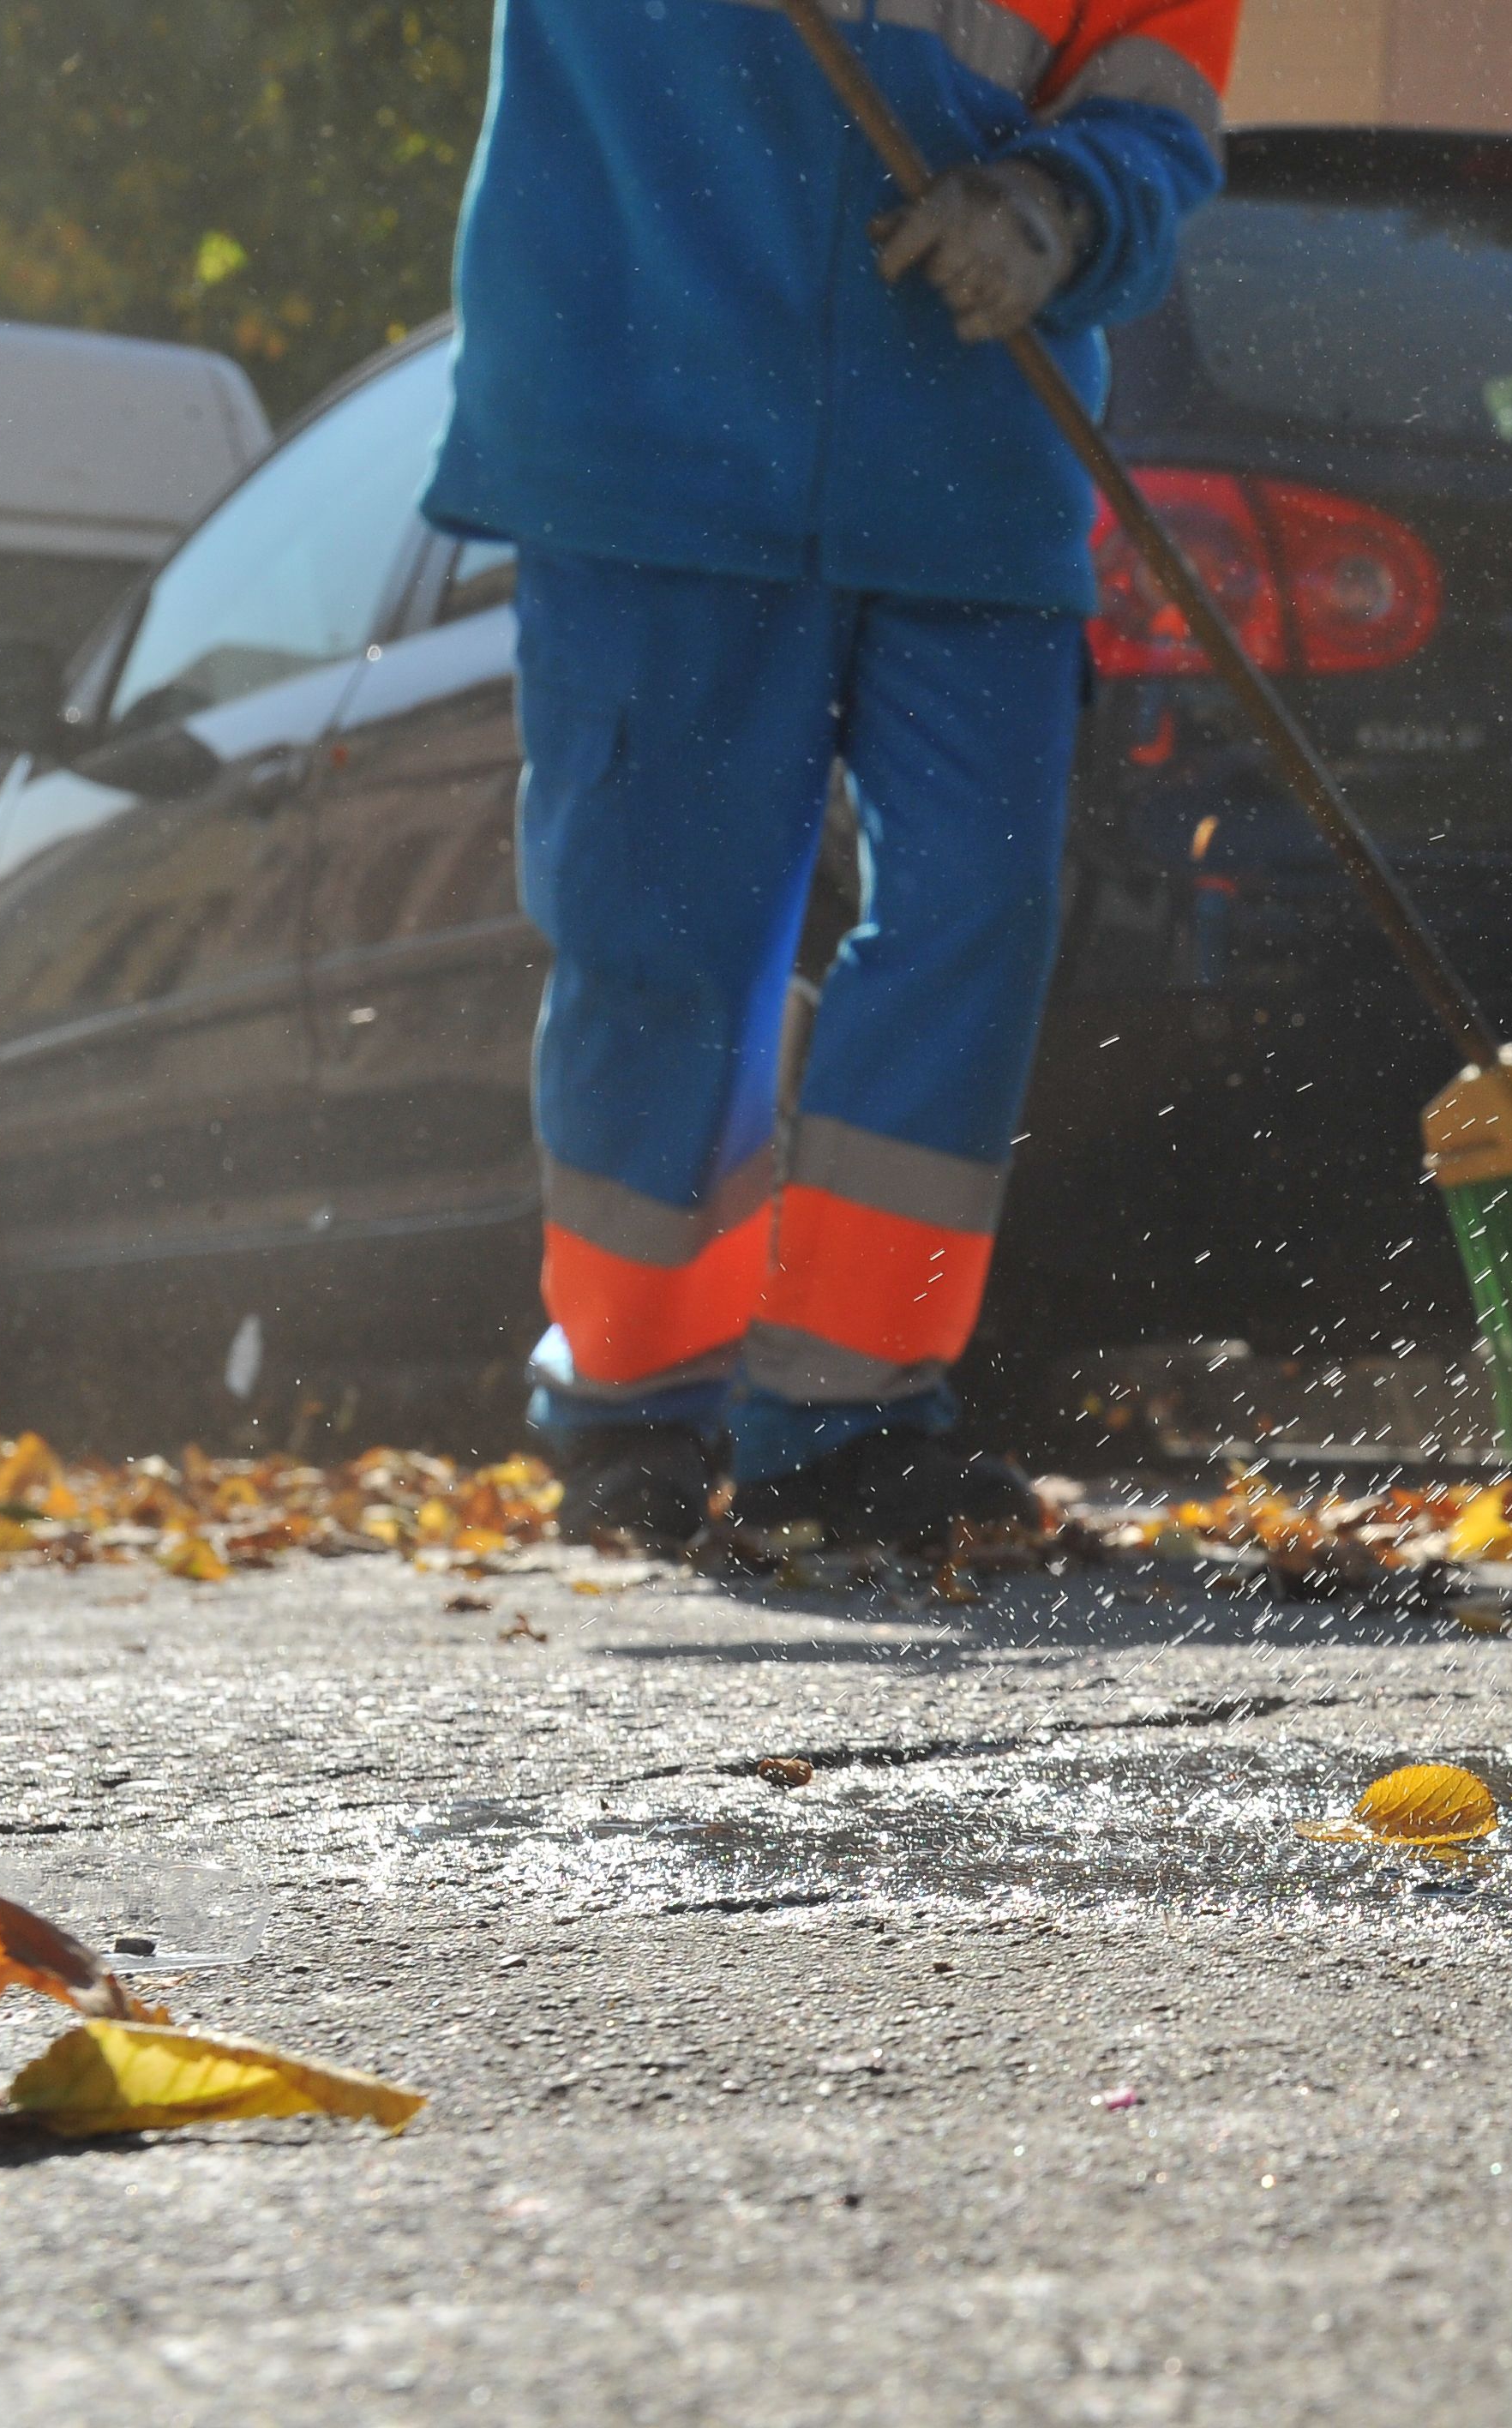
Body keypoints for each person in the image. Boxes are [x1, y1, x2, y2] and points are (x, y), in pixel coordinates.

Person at [424, 0, 1238, 1548]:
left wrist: (1058, 206)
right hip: (653, 437)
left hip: (975, 468)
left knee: (976, 917)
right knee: (666, 942)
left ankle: (854, 1415)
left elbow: (1158, 116)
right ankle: (635, 1410)